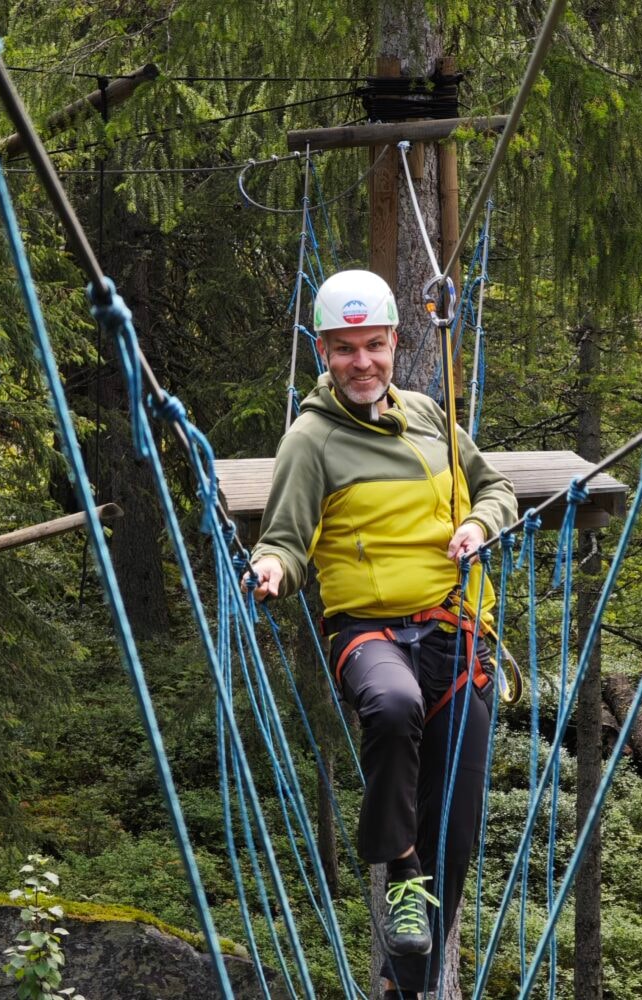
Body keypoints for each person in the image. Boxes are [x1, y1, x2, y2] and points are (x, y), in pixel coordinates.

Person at [245, 269, 517, 998]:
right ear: (321, 352)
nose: (361, 362)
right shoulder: (310, 440)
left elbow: (497, 488)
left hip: (454, 630)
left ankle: (407, 983)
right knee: (392, 708)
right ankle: (397, 867)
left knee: (455, 828)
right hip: (368, 633)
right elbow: (286, 539)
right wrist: (271, 570)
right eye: (343, 349)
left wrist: (474, 524)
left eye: (373, 345)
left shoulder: (431, 415)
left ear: (396, 342)